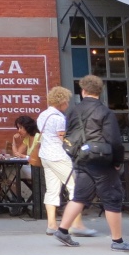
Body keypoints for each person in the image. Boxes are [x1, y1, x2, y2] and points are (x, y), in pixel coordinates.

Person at [53, 75, 129, 252]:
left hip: (80, 159)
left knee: (80, 196)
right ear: (99, 92)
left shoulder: (73, 111)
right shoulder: (105, 112)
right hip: (101, 160)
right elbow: (115, 141)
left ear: (83, 91)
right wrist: (117, 162)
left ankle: (62, 230)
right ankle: (118, 241)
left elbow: (68, 135)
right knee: (113, 197)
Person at [37, 86, 96, 237]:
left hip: (45, 155)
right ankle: (76, 224)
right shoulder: (58, 118)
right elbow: (63, 140)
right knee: (75, 188)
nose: (68, 104)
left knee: (52, 189)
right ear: (61, 101)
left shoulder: (42, 115)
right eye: (67, 101)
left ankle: (51, 224)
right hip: (59, 156)